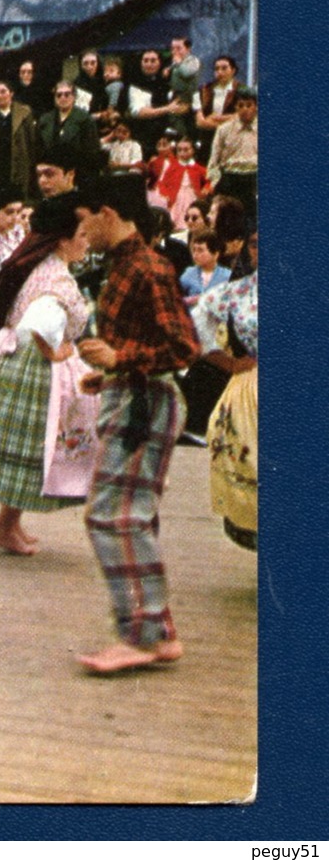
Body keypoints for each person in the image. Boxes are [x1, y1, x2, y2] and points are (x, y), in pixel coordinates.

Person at [70, 176, 201, 673]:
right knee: (129, 514)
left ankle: (144, 634)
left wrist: (121, 357)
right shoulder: (131, 265)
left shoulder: (147, 267)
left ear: (107, 213)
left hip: (146, 404)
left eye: (84, 220)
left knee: (113, 515)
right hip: (136, 397)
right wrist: (113, 373)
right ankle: (154, 631)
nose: (81, 231)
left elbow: (184, 347)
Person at [0, 194, 96, 555]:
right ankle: (5, 526)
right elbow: (38, 325)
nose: (87, 242)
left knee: (29, 448)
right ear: (62, 239)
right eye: (82, 235)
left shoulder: (37, 265)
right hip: (33, 364)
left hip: (13, 355)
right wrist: (56, 352)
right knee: (31, 448)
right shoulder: (56, 278)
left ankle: (9, 523)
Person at [193, 238, 258, 550]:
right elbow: (197, 326)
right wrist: (229, 362)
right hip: (251, 390)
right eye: (257, 244)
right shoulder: (239, 291)